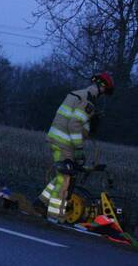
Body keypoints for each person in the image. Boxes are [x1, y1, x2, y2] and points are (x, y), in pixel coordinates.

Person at [38, 72, 114, 221]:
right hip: (64, 142)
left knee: (62, 175)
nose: (104, 95)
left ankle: (40, 203)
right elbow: (74, 124)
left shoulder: (80, 94)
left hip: (59, 139)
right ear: (102, 87)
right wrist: (79, 148)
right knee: (65, 179)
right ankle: (54, 216)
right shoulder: (88, 101)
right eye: (105, 91)